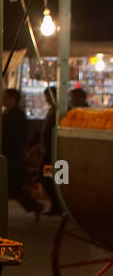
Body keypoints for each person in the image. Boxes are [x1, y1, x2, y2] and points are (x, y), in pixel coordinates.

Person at [42, 86, 89, 214]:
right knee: (48, 176)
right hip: (52, 150)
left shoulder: (83, 113)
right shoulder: (60, 110)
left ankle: (59, 205)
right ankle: (57, 204)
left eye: (75, 97)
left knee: (59, 178)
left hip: (63, 152)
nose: (72, 99)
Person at [2, 87, 42, 220]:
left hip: (13, 155)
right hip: (12, 154)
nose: (3, 99)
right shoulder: (10, 113)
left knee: (11, 186)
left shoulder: (16, 115)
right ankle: (33, 206)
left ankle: (34, 206)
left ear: (12, 99)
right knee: (12, 187)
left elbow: (16, 136)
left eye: (6, 97)